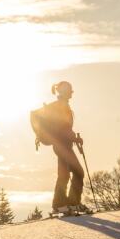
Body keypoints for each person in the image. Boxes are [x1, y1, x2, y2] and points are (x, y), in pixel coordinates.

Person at [45, 81, 86, 212]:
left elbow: (65, 127)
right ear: (64, 92)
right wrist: (74, 137)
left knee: (68, 173)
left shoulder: (62, 106)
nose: (71, 94)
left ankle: (69, 203)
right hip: (61, 145)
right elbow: (62, 128)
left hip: (63, 145)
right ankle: (60, 205)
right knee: (72, 173)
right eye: (70, 92)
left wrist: (74, 137)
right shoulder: (60, 106)